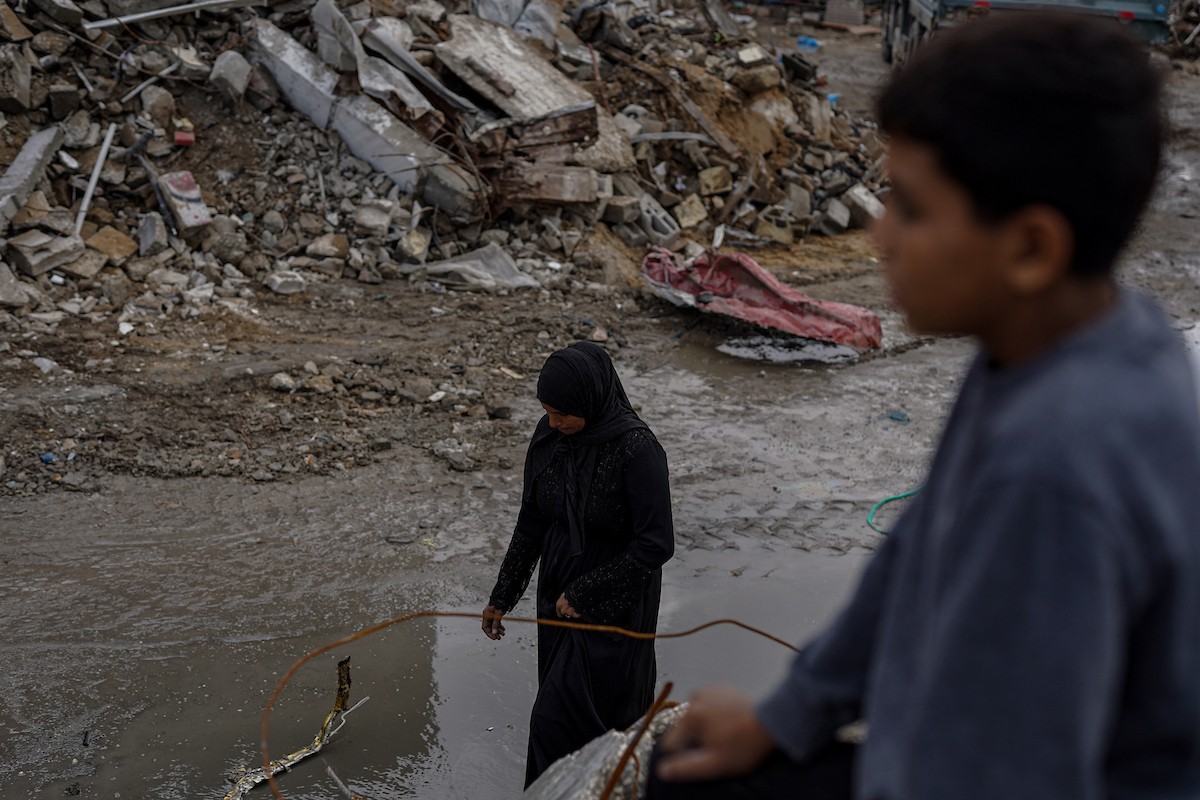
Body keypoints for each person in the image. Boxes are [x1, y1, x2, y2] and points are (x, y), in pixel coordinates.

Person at [647, 13, 1200, 800]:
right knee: (684, 770)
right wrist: (787, 717)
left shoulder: (1054, 474)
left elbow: (1010, 770)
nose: (879, 237)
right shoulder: (1081, 334)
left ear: (1031, 249)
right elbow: (911, 559)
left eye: (909, 207)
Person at [482, 341, 675, 787]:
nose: (553, 422)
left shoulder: (637, 450)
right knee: (557, 718)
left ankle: (609, 789)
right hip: (557, 595)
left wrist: (588, 592)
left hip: (617, 603)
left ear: (591, 399)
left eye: (562, 413)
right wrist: (502, 595)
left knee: (598, 722)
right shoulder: (551, 438)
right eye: (547, 411)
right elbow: (531, 521)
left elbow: (656, 543)